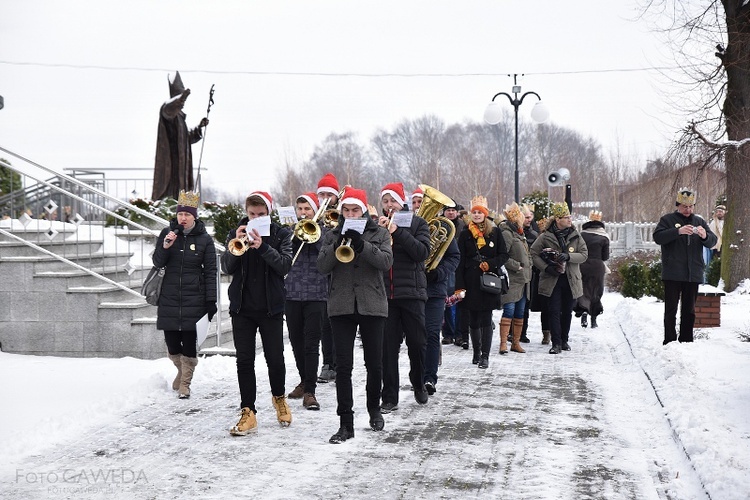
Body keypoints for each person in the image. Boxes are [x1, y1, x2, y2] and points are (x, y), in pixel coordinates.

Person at [316, 187, 393, 443]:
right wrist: (338, 242)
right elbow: (322, 266)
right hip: (341, 305)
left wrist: (363, 246)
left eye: (355, 210)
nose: (350, 214)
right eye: (346, 210)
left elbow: (385, 263)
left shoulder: (380, 233)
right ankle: (345, 423)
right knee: (343, 367)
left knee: (374, 363)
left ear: (363, 210)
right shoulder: (332, 233)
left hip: (372, 303)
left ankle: (373, 409)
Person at [223, 191, 293, 435]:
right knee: (244, 360)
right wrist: (236, 246)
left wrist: (263, 247)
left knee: (275, 358)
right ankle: (248, 410)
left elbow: (285, 265)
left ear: (269, 213)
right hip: (242, 307)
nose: (255, 218)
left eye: (261, 215)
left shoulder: (281, 234)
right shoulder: (236, 233)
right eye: (251, 214)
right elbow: (226, 267)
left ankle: (279, 397)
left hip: (270, 307)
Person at [153, 190, 217, 399]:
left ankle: (185, 384)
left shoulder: (205, 239)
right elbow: (157, 262)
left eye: (187, 214)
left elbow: (210, 271)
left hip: (194, 298)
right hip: (170, 296)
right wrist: (165, 246)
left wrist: (211, 300)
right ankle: (181, 371)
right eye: (180, 214)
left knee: (189, 342)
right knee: (172, 342)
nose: (182, 218)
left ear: (194, 216)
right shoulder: (167, 234)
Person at [378, 182, 432, 412]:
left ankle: (418, 383)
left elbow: (421, 253)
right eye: (386, 201)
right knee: (388, 348)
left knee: (417, 343)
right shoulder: (377, 225)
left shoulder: (417, 223)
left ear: (403, 202)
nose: (390, 206)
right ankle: (389, 396)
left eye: (393, 201)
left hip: (412, 293)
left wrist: (397, 232)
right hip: (386, 296)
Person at [653, 188, 717, 345]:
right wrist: (678, 231)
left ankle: (687, 340)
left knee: (689, 310)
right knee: (671, 310)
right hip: (673, 273)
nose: (688, 210)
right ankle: (669, 340)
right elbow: (658, 237)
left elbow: (713, 242)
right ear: (678, 205)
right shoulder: (667, 220)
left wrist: (704, 236)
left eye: (691, 207)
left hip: (693, 273)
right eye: (684, 206)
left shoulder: (699, 221)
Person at [284, 192, 328, 411]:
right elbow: (283, 257)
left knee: (312, 344)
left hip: (316, 294)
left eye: (307, 209)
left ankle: (310, 391)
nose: (303, 213)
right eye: (300, 209)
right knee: (296, 342)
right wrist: (293, 236)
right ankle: (304, 379)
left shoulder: (324, 231)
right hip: (291, 293)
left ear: (315, 210)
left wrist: (314, 235)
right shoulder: (290, 232)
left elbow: (326, 255)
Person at [455, 195, 509, 369]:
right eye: (474, 212)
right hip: (470, 280)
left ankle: (485, 356)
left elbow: (503, 255)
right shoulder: (465, 234)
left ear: (485, 214)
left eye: (480, 212)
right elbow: (460, 261)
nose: (477, 215)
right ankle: (476, 352)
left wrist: (491, 264)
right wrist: (459, 286)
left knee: (486, 318)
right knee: (473, 319)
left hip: (488, 280)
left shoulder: (495, 232)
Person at [530, 202, 588, 355]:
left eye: (570, 217)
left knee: (567, 310)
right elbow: (533, 253)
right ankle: (555, 343)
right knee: (554, 310)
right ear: (557, 219)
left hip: (570, 279)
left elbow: (584, 255)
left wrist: (569, 256)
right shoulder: (545, 236)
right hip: (552, 278)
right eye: (565, 217)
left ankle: (564, 340)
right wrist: (546, 267)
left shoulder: (575, 235)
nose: (569, 220)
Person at [151, 72, 209, 201]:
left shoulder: (181, 118)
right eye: (181, 99)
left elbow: (187, 138)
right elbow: (169, 108)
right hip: (171, 162)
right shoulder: (167, 111)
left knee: (183, 191)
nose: (183, 103)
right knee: (171, 191)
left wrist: (199, 127)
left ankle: (183, 209)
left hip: (182, 165)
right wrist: (181, 98)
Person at [423, 214, 460, 395]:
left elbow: (453, 256)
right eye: (414, 202)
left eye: (420, 202)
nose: (417, 205)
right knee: (416, 336)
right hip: (410, 289)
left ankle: (429, 378)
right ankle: (417, 375)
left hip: (435, 289)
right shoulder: (401, 224)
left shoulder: (440, 226)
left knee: (431, 333)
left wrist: (438, 272)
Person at [497, 203, 532, 355]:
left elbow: (526, 253)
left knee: (520, 311)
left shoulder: (520, 233)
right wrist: (516, 266)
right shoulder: (507, 233)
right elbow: (503, 255)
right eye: (521, 217)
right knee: (509, 309)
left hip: (523, 279)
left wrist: (529, 263)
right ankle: (503, 343)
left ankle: (515, 343)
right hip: (512, 278)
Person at [316, 172, 340, 384]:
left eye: (328, 194)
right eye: (321, 194)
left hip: (342, 274)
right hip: (322, 276)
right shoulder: (315, 215)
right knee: (325, 323)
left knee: (338, 323)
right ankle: (328, 363)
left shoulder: (344, 211)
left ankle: (339, 363)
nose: (325, 198)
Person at [574, 210, 610, 329]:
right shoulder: (604, 237)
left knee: (583, 289)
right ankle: (593, 319)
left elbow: (577, 250)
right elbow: (605, 257)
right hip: (597, 267)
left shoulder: (582, 235)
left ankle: (584, 311)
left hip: (582, 265)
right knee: (595, 291)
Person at [441, 202, 466, 346]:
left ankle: (459, 333)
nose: (451, 213)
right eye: (448, 210)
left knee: (459, 301)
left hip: (459, 267)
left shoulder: (463, 227)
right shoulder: (441, 224)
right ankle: (448, 334)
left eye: (453, 210)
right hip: (446, 267)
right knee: (447, 301)